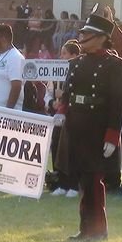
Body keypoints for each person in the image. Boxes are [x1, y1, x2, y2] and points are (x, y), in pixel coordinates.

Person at [57, 5, 122, 241]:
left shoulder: (115, 66)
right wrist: (62, 112)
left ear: (101, 38)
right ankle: (86, 228)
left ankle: (98, 228)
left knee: (94, 179)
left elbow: (118, 103)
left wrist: (112, 135)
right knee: (83, 180)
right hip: (77, 125)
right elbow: (67, 94)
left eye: (87, 34)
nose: (81, 37)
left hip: (97, 128)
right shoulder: (76, 64)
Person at [50, 39, 81, 198]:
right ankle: (60, 182)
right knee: (56, 148)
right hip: (58, 117)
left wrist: (64, 96)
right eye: (61, 53)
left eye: (65, 54)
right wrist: (52, 103)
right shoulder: (57, 73)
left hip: (73, 115)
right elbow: (50, 94)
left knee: (71, 151)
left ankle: (73, 184)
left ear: (74, 55)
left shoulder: (79, 71)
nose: (61, 57)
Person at [0, 24, 24, 110]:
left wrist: (7, 112)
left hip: (6, 114)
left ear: (3, 39)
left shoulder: (16, 57)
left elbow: (16, 86)